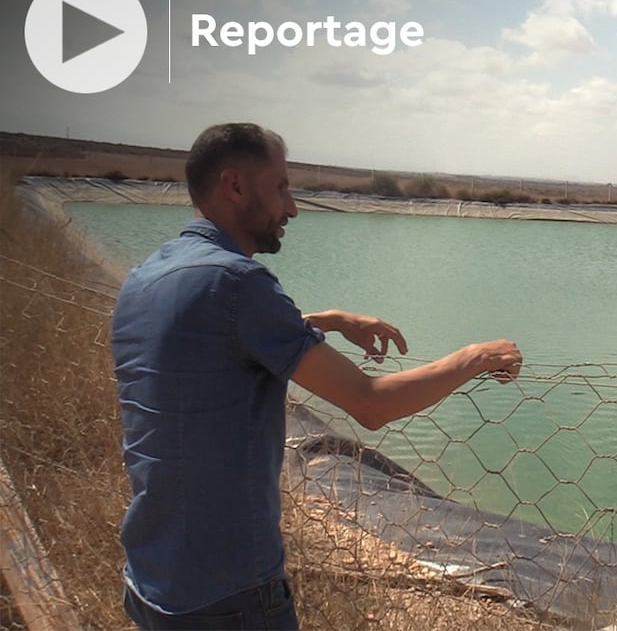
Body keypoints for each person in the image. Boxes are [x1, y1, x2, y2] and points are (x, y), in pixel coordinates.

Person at [110, 123, 522, 630]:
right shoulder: (239, 283)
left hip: (152, 576)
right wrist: (476, 356)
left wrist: (328, 320)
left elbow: (210, 340)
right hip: (226, 594)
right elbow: (370, 405)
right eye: (280, 187)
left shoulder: (150, 274)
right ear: (235, 185)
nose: (292, 207)